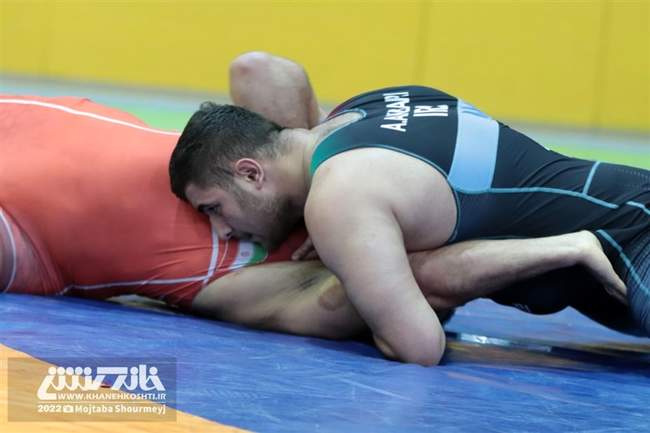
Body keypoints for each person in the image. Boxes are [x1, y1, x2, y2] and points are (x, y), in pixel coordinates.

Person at [169, 52, 649, 365]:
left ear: (251, 173)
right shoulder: (377, 105)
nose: (222, 230)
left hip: (631, 241)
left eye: (213, 207)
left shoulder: (339, 197)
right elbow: (257, 67)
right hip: (625, 216)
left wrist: (403, 279)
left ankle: (569, 246)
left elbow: (420, 346)